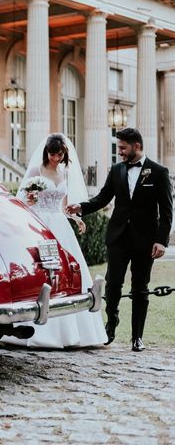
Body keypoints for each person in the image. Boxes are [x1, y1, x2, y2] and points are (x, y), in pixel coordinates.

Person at [66, 128, 172, 352]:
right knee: (113, 285)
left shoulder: (159, 172)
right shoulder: (116, 170)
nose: (120, 152)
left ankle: (137, 337)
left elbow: (166, 211)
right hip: (118, 237)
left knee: (140, 287)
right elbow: (103, 197)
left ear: (137, 146)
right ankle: (112, 321)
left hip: (146, 241)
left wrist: (161, 241)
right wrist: (81, 207)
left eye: (123, 148)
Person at [1, 133, 108, 348]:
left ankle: (74, 330)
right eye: (52, 154)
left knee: (68, 272)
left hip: (59, 225)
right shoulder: (36, 171)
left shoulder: (64, 172)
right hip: (41, 224)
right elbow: (22, 202)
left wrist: (75, 218)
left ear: (64, 154)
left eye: (59, 155)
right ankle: (38, 328)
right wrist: (31, 200)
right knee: (43, 271)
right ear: (46, 152)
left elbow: (64, 205)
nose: (55, 159)